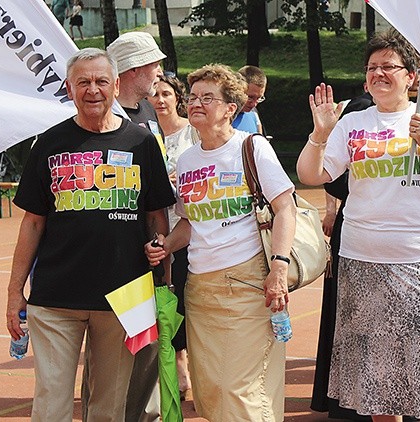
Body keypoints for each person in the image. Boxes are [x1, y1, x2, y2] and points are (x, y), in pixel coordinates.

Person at [297, 28, 420, 421]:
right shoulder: (353, 123)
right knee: (378, 379)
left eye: (388, 67)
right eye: (372, 68)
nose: (379, 74)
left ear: (411, 76)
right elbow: (312, 175)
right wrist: (320, 134)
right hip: (361, 262)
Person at [5, 47, 175, 422]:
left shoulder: (142, 143)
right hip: (55, 297)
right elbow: (33, 222)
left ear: (116, 86)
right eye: (83, 82)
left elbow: (157, 216)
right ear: (69, 88)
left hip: (124, 296)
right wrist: (14, 290)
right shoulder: (48, 144)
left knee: (109, 408)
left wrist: (161, 258)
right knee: (51, 404)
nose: (92, 89)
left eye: (101, 81)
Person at [145, 63, 296, 421]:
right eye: (193, 97)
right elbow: (189, 223)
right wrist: (166, 244)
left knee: (239, 388)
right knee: (210, 389)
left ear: (231, 107)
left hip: (247, 283)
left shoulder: (251, 148)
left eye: (207, 98)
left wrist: (279, 266)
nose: (196, 103)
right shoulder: (186, 160)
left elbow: (285, 208)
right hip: (200, 288)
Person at [105, 31, 167, 422]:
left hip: (150, 253)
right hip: (116, 258)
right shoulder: (104, 116)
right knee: (111, 357)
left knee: (146, 349)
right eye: (154, 64)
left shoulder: (146, 114)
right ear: (133, 69)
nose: (160, 72)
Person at [311, 87, 374, 422]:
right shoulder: (355, 119)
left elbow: (333, 183)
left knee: (345, 320)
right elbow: (324, 176)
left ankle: (341, 400)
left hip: (357, 232)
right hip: (355, 233)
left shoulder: (418, 121)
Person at [148, 73, 198, 400]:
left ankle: (183, 359)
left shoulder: (192, 133)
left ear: (177, 98)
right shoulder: (144, 134)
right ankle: (167, 360)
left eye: (166, 93)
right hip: (152, 222)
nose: (160, 100)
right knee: (158, 292)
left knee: (180, 289)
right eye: (154, 95)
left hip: (187, 225)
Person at [233, 65, 267, 133]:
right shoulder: (220, 115)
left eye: (259, 98)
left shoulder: (254, 114)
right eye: (250, 97)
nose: (254, 104)